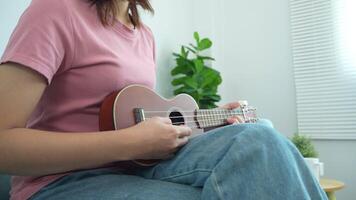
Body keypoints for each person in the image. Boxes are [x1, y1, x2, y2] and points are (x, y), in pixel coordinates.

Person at [0, 0, 327, 199]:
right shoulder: (55, 9)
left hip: (134, 170)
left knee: (259, 137)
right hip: (61, 185)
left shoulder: (144, 35)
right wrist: (127, 143)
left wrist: (207, 125)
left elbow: (138, 122)